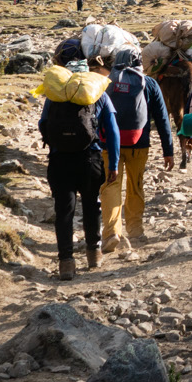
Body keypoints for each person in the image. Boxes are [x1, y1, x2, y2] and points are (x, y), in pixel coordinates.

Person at [37, 43, 120, 279]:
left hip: (60, 160)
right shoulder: (97, 93)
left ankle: (66, 262)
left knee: (64, 210)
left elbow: (43, 125)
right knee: (92, 205)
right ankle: (93, 255)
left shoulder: (54, 94)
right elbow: (112, 130)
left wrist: (56, 144)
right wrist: (113, 163)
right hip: (90, 158)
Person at [100, 48, 176, 251]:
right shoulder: (148, 83)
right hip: (139, 144)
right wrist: (168, 151)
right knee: (135, 186)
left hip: (108, 145)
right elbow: (162, 119)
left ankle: (111, 233)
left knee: (110, 186)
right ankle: (135, 230)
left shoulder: (107, 81)